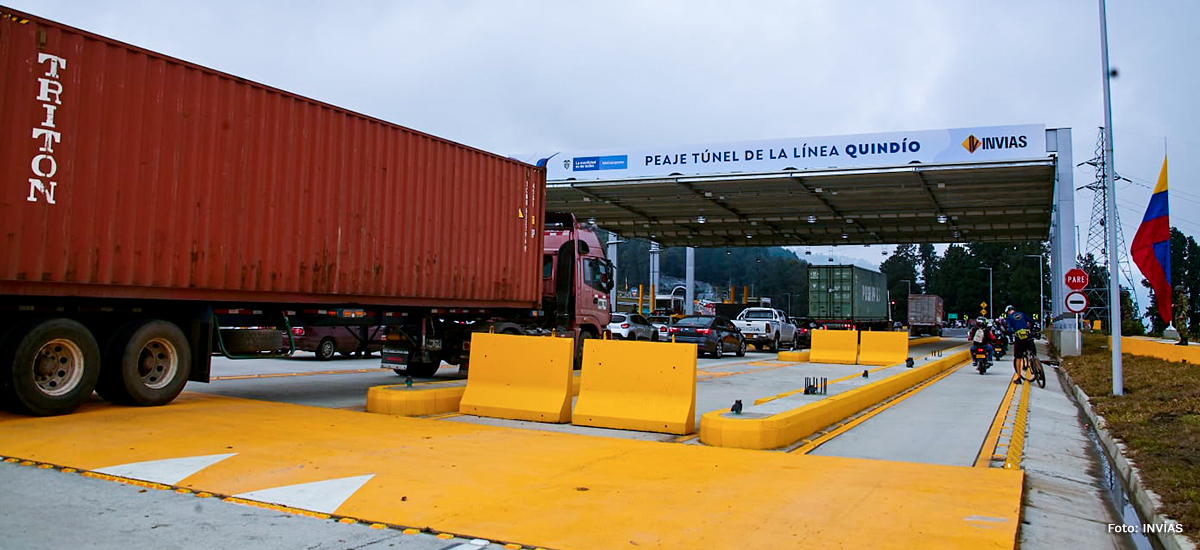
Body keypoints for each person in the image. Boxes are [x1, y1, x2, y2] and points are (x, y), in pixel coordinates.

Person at [1006, 305, 1034, 382]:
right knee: (1033, 353)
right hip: (1028, 335)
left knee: (1018, 358)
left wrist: (1012, 332)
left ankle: (1018, 377)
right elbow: (1031, 321)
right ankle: (1036, 366)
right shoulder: (1022, 314)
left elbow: (1009, 329)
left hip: (1019, 338)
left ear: (1008, 312)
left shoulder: (1009, 317)